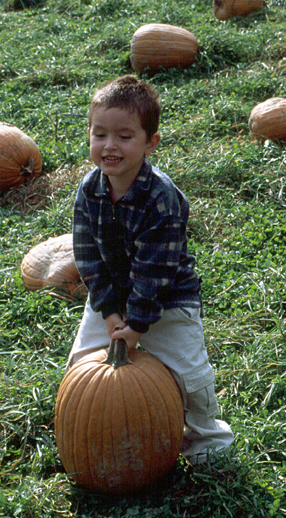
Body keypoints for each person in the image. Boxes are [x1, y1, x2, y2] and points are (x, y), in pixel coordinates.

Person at [67, 74, 233, 465]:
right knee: (83, 365)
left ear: (150, 142)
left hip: (169, 299)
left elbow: (156, 272)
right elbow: (87, 253)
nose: (110, 146)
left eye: (125, 136)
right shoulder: (90, 190)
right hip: (112, 297)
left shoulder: (162, 199)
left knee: (191, 376)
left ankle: (209, 438)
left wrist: (137, 326)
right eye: (100, 134)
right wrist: (109, 311)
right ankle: (90, 435)